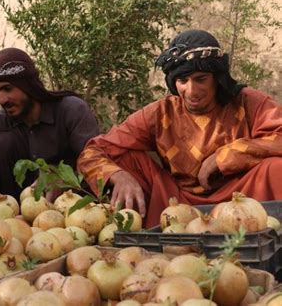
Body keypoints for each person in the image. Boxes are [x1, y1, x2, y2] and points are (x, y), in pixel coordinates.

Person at [77, 29, 282, 227]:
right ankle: (142, 235)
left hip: (243, 197)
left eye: (201, 79)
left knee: (276, 168)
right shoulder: (159, 112)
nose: (191, 91)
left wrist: (228, 154)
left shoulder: (248, 101)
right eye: (183, 81)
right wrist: (119, 176)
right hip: (175, 203)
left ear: (217, 79)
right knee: (124, 160)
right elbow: (92, 152)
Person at [0, 48, 100, 201]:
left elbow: (95, 162)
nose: (2, 99)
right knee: (4, 142)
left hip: (73, 208)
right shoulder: (2, 121)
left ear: (27, 85)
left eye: (7, 89)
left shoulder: (71, 110)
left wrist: (62, 180)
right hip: (18, 214)